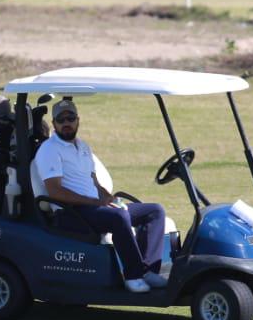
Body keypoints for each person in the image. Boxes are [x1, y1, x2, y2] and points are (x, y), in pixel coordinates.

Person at [32, 97, 168, 293]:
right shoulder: (49, 150)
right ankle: (133, 275)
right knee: (119, 217)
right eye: (61, 120)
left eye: (70, 118)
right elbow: (55, 191)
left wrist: (108, 198)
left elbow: (93, 182)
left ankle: (148, 271)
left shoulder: (84, 147)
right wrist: (96, 202)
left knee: (154, 211)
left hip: (93, 207)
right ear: (53, 124)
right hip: (71, 212)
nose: (66, 123)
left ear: (78, 120)